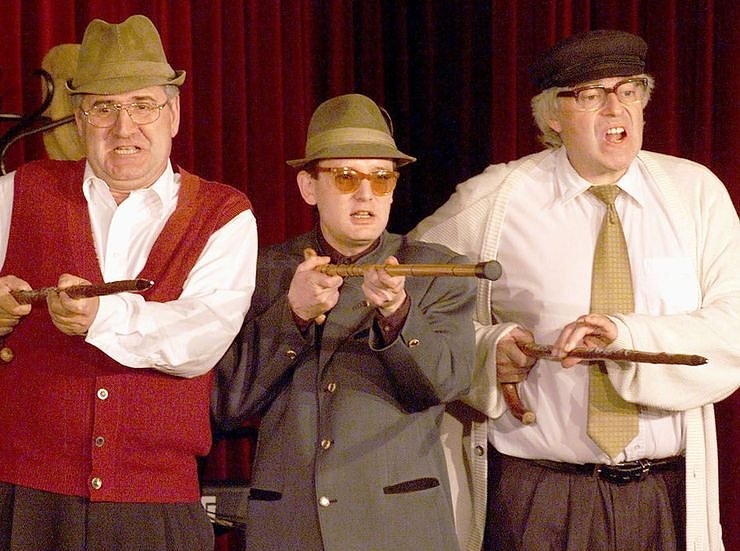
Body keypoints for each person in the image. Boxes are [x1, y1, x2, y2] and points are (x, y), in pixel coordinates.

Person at [411, 29, 740, 551]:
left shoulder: (695, 193)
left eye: (629, 90)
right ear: (553, 117)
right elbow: (408, 299)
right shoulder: (494, 200)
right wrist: (484, 350)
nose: (616, 108)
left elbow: (732, 326)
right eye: (591, 95)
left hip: (664, 496)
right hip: (539, 496)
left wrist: (623, 335)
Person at [0, 15, 257, 551]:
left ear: (174, 114)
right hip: (24, 498)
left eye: (143, 106)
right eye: (104, 108)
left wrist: (103, 317)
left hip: (156, 506)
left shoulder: (224, 214)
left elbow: (202, 337)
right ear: (78, 118)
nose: (124, 127)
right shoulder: (18, 191)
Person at [212, 93, 476, 550]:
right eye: (346, 177)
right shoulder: (262, 272)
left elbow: (444, 385)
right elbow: (226, 402)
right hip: (291, 529)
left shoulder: (437, 271)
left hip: (398, 529)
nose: (366, 194)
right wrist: (292, 315)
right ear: (309, 187)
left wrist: (398, 314)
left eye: (382, 178)